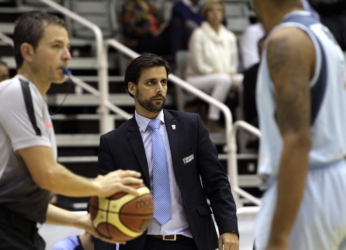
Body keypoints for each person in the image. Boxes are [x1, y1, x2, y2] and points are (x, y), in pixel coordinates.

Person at [0, 12, 143, 250]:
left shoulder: (32, 99)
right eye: (56, 46)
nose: (68, 56)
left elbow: (22, 203)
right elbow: (47, 175)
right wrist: (99, 186)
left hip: (19, 229)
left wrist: (83, 221)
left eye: (68, 46)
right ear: (28, 51)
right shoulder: (17, 91)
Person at [94, 54, 239, 250]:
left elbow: (217, 182)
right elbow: (106, 205)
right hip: (144, 244)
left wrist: (228, 228)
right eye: (151, 82)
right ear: (132, 88)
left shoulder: (191, 126)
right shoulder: (113, 142)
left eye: (163, 82)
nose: (159, 89)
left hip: (193, 241)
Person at [251, 0, 346, 249]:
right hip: (333, 179)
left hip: (307, 185)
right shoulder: (324, 34)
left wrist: (279, 236)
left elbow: (298, 139)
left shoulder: (287, 41)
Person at [185, 0, 243, 132]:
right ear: (205, 14)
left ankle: (244, 119)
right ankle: (212, 120)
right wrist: (217, 73)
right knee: (223, 80)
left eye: (219, 10)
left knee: (244, 80)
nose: (216, 14)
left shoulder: (229, 36)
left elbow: (234, 62)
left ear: (223, 14)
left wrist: (231, 72)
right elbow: (199, 65)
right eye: (212, 10)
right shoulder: (198, 34)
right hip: (196, 79)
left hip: (223, 77)